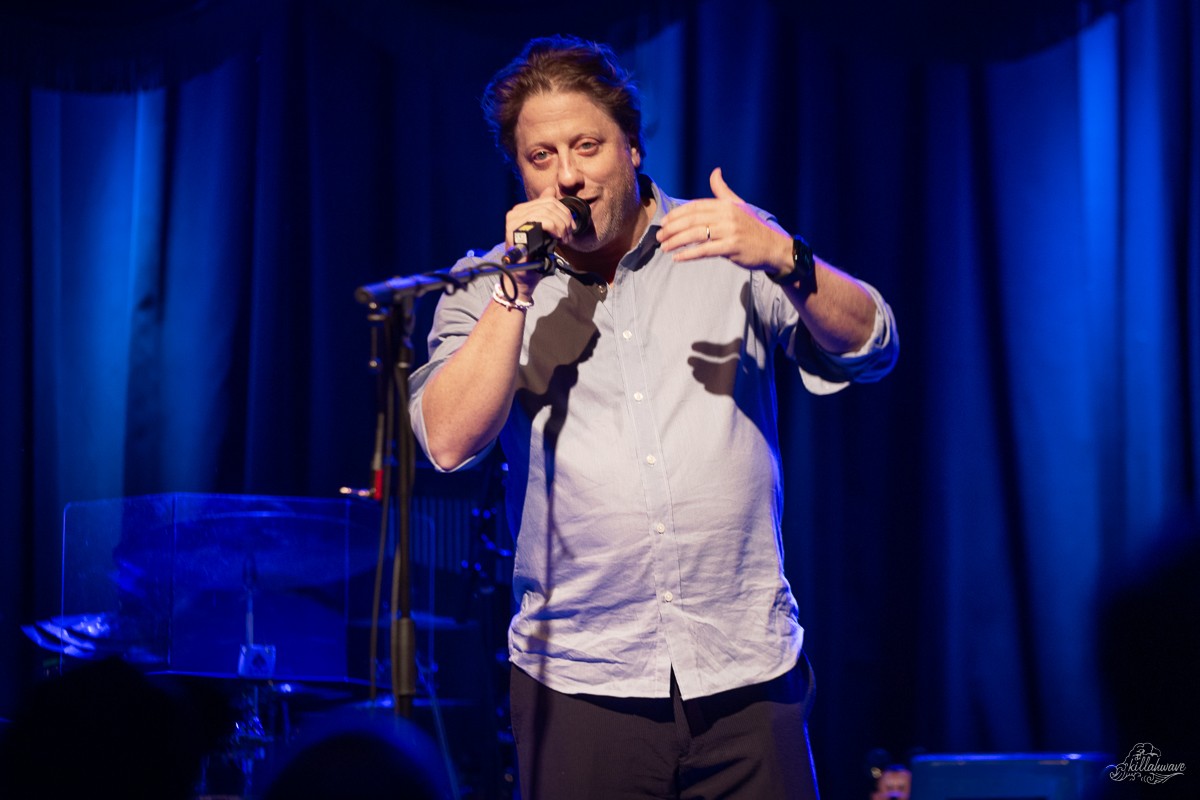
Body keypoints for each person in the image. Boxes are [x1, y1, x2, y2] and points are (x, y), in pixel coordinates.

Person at [408, 34, 899, 799]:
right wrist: (516, 291)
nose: (567, 174)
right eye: (542, 157)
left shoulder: (727, 243)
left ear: (631, 148)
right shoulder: (482, 286)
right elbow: (445, 443)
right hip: (580, 681)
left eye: (587, 146)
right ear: (519, 172)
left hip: (745, 669)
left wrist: (784, 257)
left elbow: (874, 345)